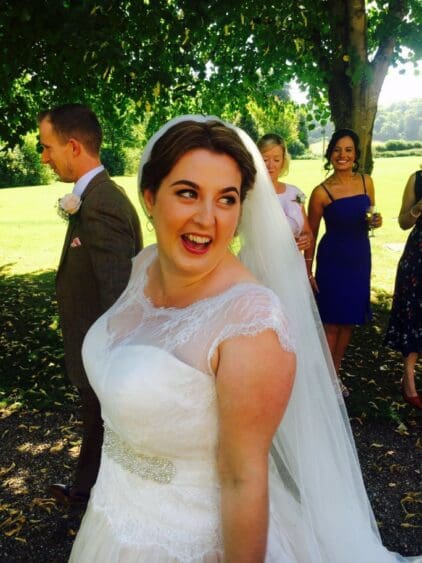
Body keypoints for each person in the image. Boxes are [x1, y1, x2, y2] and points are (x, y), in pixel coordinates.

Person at [69, 116, 417, 562]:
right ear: (150, 198)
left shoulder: (252, 323)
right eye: (188, 192)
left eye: (226, 199)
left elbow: (242, 480)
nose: (207, 219)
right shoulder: (145, 264)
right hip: (113, 515)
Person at [38, 103, 143, 506]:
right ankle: (86, 491)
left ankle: (105, 499)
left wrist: (113, 360)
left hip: (104, 349)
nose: (45, 157)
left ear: (74, 146)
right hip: (94, 345)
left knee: (108, 422)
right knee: (98, 421)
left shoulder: (101, 204)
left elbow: (118, 291)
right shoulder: (95, 196)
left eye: (48, 147)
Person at [305, 129, 382, 396]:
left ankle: (334, 376)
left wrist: (376, 221)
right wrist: (307, 270)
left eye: (348, 150)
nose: (343, 155)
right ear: (330, 154)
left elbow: (370, 216)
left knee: (349, 321)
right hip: (333, 260)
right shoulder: (321, 192)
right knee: (331, 323)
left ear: (356, 155)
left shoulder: (366, 182)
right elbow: (310, 235)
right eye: (337, 150)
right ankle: (322, 378)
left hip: (359, 258)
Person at [384, 170, 422, 410]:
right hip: (418, 258)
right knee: (414, 316)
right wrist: (418, 208)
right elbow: (402, 222)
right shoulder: (417, 179)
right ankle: (408, 381)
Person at [258, 133, 312, 251]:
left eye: (276, 159)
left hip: (292, 263)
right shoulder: (249, 194)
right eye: (265, 159)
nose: (271, 165)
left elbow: (307, 231)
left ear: (283, 161)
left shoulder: (298, 194)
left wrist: (306, 238)